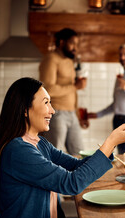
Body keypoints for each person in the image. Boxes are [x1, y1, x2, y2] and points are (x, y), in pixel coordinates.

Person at [0, 77, 125, 218]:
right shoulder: (18, 150)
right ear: (25, 110)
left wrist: (110, 144)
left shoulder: (41, 144)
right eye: (46, 102)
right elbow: (71, 183)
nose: (52, 110)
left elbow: (76, 166)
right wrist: (111, 141)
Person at [39, 28, 87, 156]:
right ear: (61, 42)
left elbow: (71, 90)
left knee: (79, 154)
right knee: (54, 155)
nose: (75, 48)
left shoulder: (69, 60)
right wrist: (75, 86)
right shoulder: (51, 59)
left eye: (76, 44)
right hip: (56, 113)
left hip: (71, 114)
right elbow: (47, 89)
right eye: (72, 43)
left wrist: (78, 114)